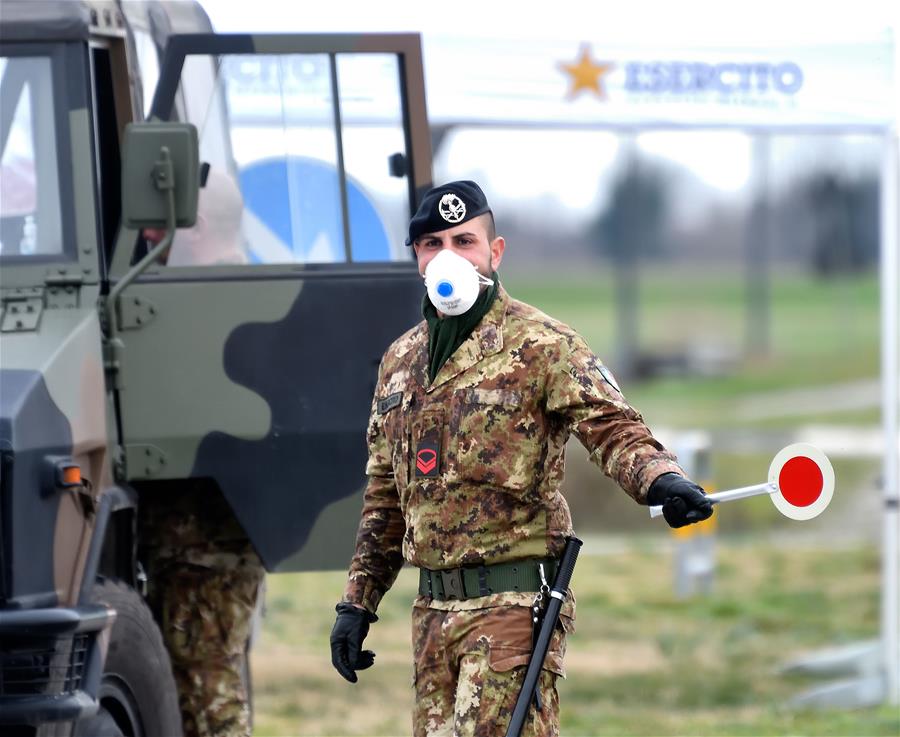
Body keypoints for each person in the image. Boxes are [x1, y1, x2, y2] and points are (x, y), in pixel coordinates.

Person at [329, 180, 713, 736]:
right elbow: (386, 495)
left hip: (512, 608)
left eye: (465, 242)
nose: (449, 257)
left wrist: (661, 480)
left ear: (495, 252)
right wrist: (357, 604)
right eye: (433, 243)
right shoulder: (400, 361)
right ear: (416, 257)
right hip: (433, 616)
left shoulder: (542, 345)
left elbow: (613, 427)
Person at [139, 168, 262, 737]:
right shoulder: (253, 294)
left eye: (158, 228)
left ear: (196, 226)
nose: (148, 240)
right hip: (215, 541)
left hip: (203, 547)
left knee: (206, 697)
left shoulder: (208, 303)